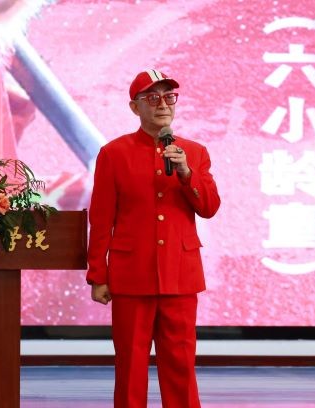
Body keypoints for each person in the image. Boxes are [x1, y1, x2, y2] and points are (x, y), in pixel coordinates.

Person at [86, 69, 221, 408]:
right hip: (132, 275)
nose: (163, 105)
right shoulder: (114, 153)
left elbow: (209, 207)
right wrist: (98, 275)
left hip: (181, 274)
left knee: (181, 364)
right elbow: (101, 220)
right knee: (130, 364)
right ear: (135, 107)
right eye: (152, 98)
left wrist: (186, 173)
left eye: (169, 97)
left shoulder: (194, 152)